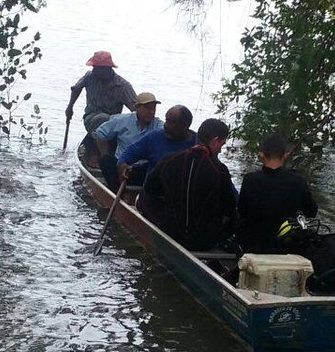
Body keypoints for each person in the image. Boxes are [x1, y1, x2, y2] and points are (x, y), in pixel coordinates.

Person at [138, 118, 237, 251]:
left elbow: (150, 190)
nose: (220, 150)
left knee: (142, 198)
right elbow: (230, 207)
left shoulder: (169, 160)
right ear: (215, 140)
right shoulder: (219, 169)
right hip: (204, 241)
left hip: (171, 233)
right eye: (221, 144)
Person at [237, 133, 318, 253]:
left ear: (261, 154)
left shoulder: (250, 180)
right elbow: (312, 211)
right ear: (285, 155)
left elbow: (242, 211)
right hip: (288, 245)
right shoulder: (297, 180)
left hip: (256, 245)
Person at [65, 50, 137, 164]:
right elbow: (76, 88)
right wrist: (70, 107)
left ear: (107, 69)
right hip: (91, 118)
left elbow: (136, 109)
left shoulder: (123, 86)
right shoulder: (89, 76)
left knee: (111, 122)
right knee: (103, 119)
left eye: (96, 68)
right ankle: (97, 154)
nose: (94, 70)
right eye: (93, 67)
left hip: (113, 125)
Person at [113, 105, 196, 190]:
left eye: (172, 123)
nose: (166, 125)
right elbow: (131, 151)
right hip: (152, 195)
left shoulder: (197, 145)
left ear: (186, 125)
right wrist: (122, 163)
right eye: (166, 120)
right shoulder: (155, 137)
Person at [95, 92, 163, 189]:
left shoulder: (159, 126)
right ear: (137, 107)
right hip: (120, 167)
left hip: (143, 169)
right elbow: (100, 133)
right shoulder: (122, 120)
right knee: (105, 160)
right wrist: (104, 152)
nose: (151, 112)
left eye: (153, 108)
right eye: (147, 108)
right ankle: (117, 191)